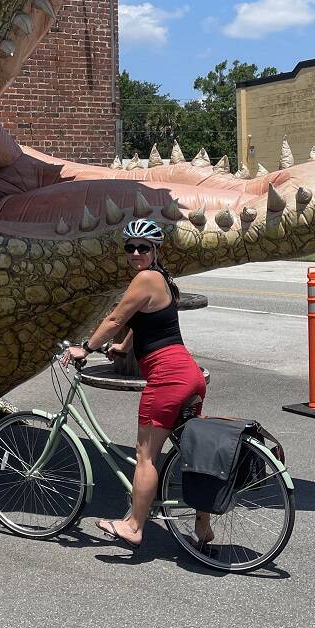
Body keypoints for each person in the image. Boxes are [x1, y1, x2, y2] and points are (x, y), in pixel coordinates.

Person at [60, 218, 210, 549]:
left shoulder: (145, 278)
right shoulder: (164, 280)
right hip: (189, 374)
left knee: (146, 456)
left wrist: (85, 348)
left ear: (155, 250)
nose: (136, 253)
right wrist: (123, 347)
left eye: (144, 247)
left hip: (167, 377)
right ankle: (203, 528)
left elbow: (116, 318)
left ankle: (134, 525)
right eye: (131, 248)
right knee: (193, 455)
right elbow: (150, 322)